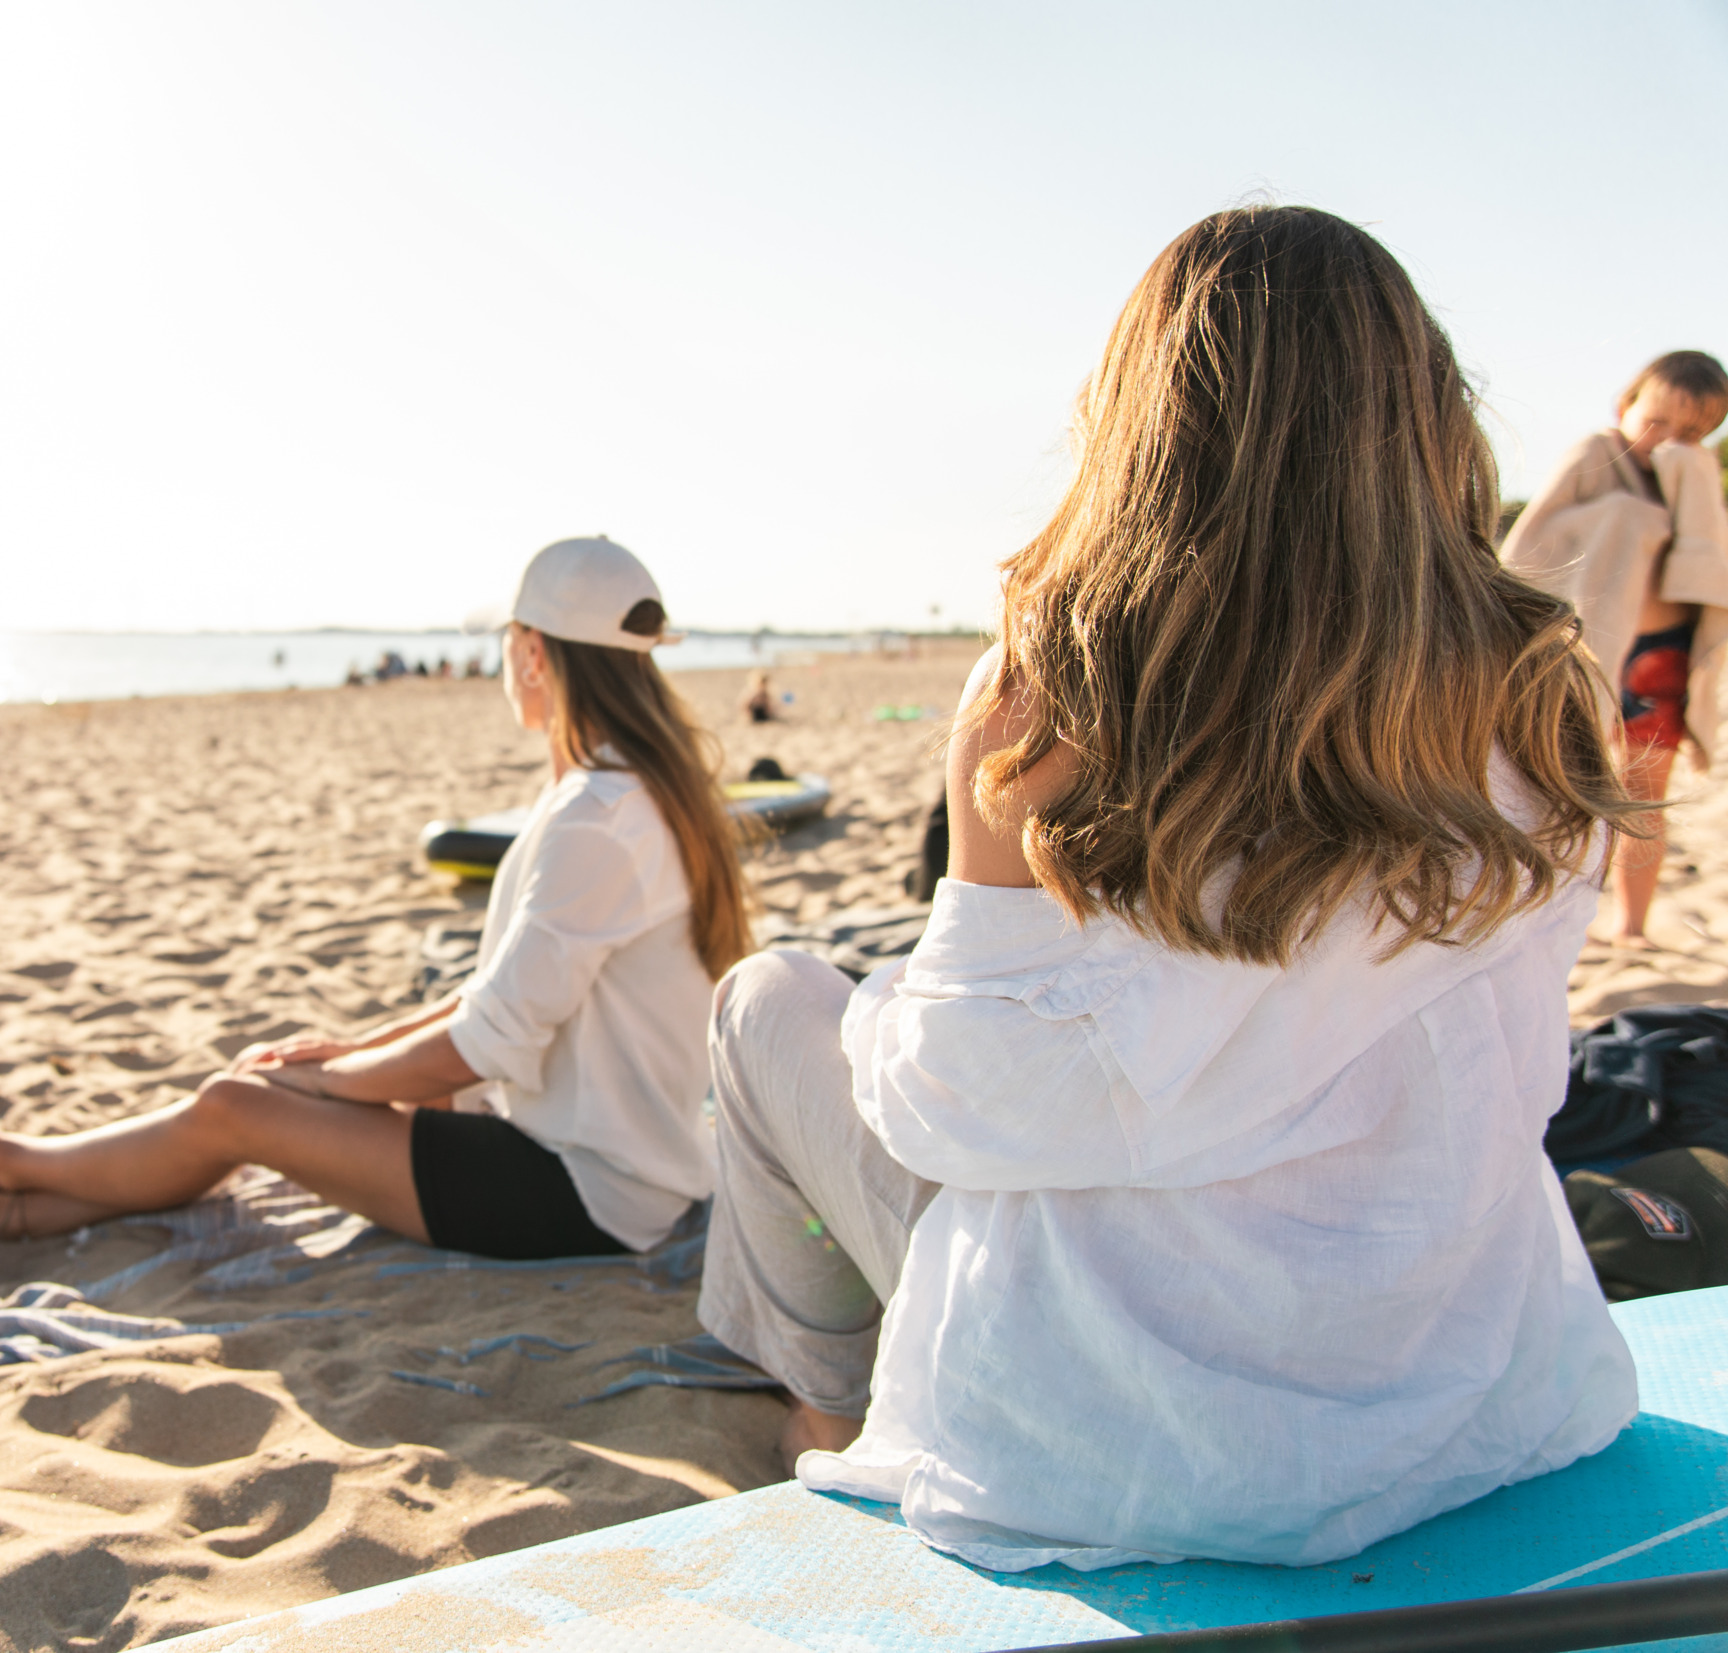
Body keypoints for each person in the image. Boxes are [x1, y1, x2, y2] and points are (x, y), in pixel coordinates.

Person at [695, 207, 1643, 1572]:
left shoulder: (1076, 703)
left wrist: (942, 921)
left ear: (1143, 427)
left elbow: (956, 1107)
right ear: (1427, 416)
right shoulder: (1544, 703)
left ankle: (823, 1403)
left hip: (1136, 1452)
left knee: (773, 998)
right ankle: (827, 1393)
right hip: (1465, 1402)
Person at [0, 537, 752, 1258]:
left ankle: (13, 1166)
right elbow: (499, 996)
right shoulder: (625, 792)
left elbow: (491, 1035)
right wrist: (350, 1055)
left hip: (587, 1189)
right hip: (578, 1136)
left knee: (240, 1106)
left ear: (532, 652)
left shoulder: (599, 818)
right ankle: (22, 1202)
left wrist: (343, 1083)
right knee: (266, 1084)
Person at [1502, 351, 1728, 946]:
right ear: (1625, 405)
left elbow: (1707, 561)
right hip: (1590, 651)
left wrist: (1691, 486)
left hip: (1663, 653)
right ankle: (1541, 915)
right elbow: (1532, 546)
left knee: (1645, 793)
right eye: (1656, 423)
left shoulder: (1694, 476)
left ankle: (1631, 924)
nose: (1668, 443)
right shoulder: (1595, 456)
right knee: (1559, 781)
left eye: (1692, 433)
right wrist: (1626, 519)